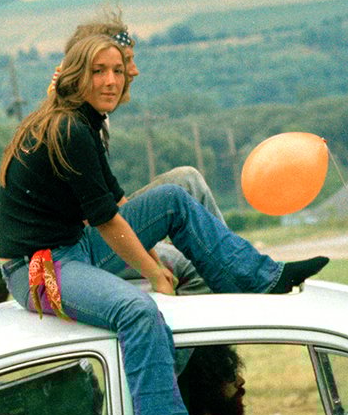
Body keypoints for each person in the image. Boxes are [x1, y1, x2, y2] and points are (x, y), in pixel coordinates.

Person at [0, 32, 328, 415]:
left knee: (174, 196)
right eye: (99, 71)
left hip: (78, 247)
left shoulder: (85, 122)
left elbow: (117, 204)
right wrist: (155, 275)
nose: (112, 79)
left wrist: (155, 260)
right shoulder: (69, 130)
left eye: (118, 69)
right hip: (40, 271)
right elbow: (108, 220)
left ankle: (262, 278)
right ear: (76, 75)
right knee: (137, 311)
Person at [52, 16, 227, 292]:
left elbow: (113, 200)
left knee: (187, 191)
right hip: (85, 250)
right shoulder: (74, 124)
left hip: (98, 238)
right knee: (192, 257)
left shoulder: (91, 117)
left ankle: (231, 262)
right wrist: (151, 261)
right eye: (126, 62)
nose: (133, 71)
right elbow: (98, 215)